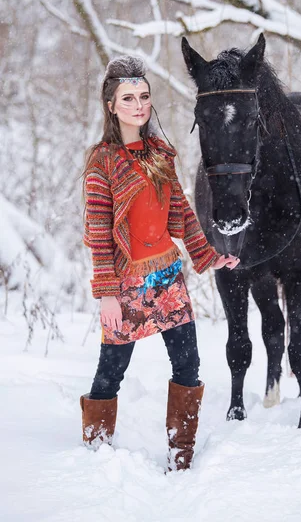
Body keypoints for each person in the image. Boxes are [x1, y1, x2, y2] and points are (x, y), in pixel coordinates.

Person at [80, 55, 239, 472]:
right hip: (126, 282)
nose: (138, 105)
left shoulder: (159, 155)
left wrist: (208, 254)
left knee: (188, 364)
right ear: (111, 105)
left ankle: (180, 453)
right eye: (127, 98)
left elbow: (181, 212)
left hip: (167, 277)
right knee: (111, 371)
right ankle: (96, 454)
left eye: (144, 97)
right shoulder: (103, 162)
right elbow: (98, 234)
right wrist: (107, 295)